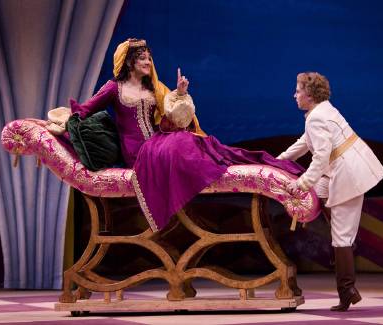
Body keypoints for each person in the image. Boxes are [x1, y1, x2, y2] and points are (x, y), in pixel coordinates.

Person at [69, 38, 305, 232]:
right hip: (137, 152)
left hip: (156, 141)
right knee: (180, 142)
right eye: (142, 58)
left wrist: (180, 94)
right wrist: (62, 126)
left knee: (189, 139)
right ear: (129, 62)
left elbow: (168, 121)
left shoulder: (154, 88)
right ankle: (213, 166)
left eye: (149, 58)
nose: (148, 62)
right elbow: (85, 109)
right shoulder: (114, 88)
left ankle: (222, 160)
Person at [277, 72, 383, 311]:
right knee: (318, 196)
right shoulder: (321, 112)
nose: (294, 95)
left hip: (348, 176)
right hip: (339, 172)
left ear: (309, 94)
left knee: (342, 236)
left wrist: (302, 183)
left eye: (297, 90)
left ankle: (347, 290)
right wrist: (277, 162)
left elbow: (320, 156)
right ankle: (333, 239)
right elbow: (304, 143)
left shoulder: (317, 117)